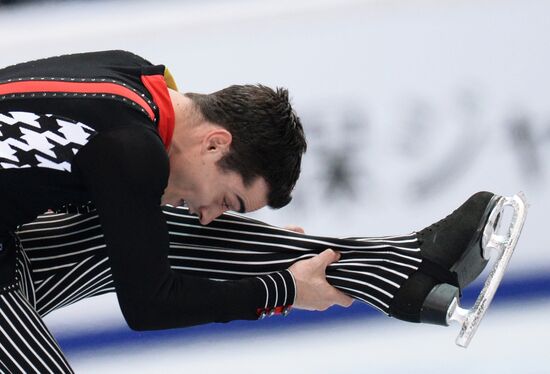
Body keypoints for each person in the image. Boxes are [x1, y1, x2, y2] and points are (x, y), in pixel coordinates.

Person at [0, 50, 500, 372]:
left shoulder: (129, 81)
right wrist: (282, 288)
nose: (213, 214)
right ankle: (401, 272)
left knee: (159, 231)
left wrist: (261, 257)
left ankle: (399, 267)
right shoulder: (132, 147)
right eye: (229, 200)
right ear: (216, 144)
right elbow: (150, 306)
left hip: (12, 246)